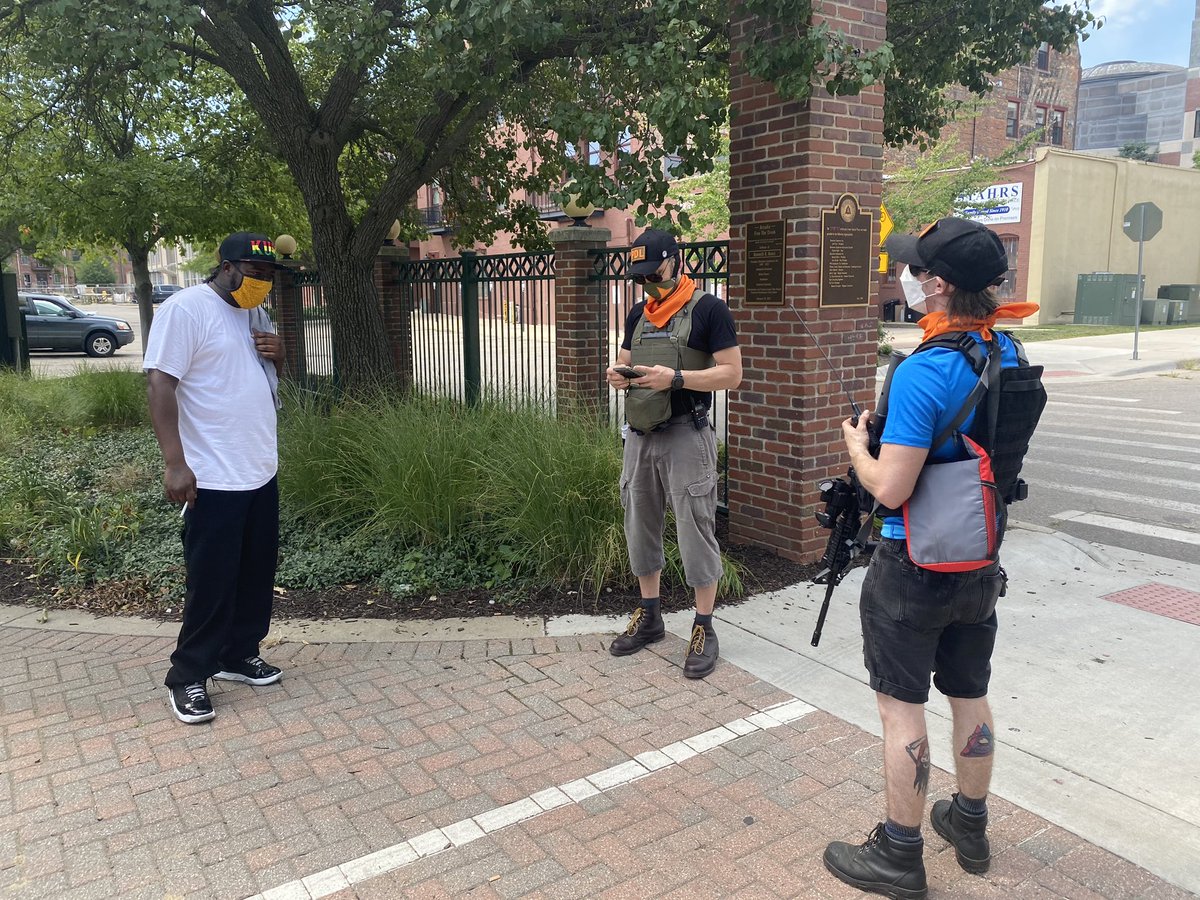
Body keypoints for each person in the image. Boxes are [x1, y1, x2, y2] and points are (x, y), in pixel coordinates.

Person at [822, 217, 1040, 899]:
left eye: (917, 270)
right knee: (969, 691)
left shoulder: (927, 370)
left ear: (941, 284)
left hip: (911, 565)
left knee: (901, 708)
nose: (908, 279)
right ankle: (968, 824)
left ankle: (899, 851)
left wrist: (857, 445)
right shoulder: (1007, 352)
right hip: (980, 562)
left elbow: (891, 485)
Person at [144, 232, 287, 725]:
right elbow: (161, 381)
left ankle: (237, 653)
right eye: (254, 271)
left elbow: (259, 382)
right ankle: (188, 675)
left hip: (258, 470)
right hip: (213, 477)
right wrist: (175, 462)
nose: (262, 282)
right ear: (225, 267)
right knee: (211, 580)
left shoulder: (255, 315)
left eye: (268, 275)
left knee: (255, 571)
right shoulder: (187, 310)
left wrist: (280, 356)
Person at [605, 229, 742, 679]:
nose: (648, 284)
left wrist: (677, 378)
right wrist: (619, 374)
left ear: (675, 262)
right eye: (641, 277)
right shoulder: (637, 313)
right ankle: (651, 616)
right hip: (641, 434)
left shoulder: (709, 310)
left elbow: (731, 374)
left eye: (654, 274)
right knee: (639, 524)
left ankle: (704, 626)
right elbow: (628, 358)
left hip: (687, 433)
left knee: (695, 530)